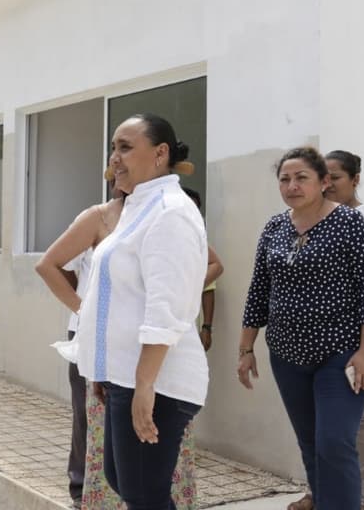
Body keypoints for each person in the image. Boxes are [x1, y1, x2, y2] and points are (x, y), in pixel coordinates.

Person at [238, 146, 364, 510]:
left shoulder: (350, 224)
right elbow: (259, 289)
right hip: (287, 355)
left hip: (343, 353)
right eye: (285, 179)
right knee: (310, 442)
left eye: (301, 178)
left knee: (335, 442)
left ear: (323, 182)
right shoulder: (274, 227)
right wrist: (246, 348)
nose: (292, 186)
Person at [76, 114, 209, 510]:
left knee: (143, 493)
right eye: (113, 148)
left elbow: (165, 309)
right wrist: (104, 370)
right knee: (126, 482)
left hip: (157, 380)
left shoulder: (170, 212)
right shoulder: (139, 207)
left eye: (125, 147)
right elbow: (117, 298)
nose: (114, 158)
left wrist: (144, 384)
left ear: (160, 153)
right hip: (126, 376)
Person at [278, 150, 364, 510]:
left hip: (358, 338)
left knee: (352, 426)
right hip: (305, 344)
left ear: (354, 179)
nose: (328, 184)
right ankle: (321, 494)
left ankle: (357, 498)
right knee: (320, 432)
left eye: (335, 177)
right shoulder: (294, 222)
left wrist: (342, 269)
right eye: (325, 176)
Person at [34, 182, 125, 507]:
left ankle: (121, 491)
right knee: (87, 414)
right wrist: (85, 309)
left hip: (129, 337)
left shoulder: (154, 216)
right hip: (88, 334)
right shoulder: (95, 218)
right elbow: (56, 267)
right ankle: (81, 488)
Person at [183, 188, 224, 353]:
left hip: (187, 328)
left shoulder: (197, 242)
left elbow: (209, 287)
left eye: (195, 210)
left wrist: (206, 327)